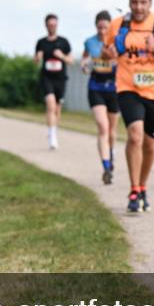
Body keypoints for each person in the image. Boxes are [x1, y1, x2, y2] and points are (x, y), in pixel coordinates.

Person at [102, 0, 154, 213]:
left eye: (143, 2)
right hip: (128, 88)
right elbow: (106, 50)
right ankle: (134, 187)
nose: (138, 7)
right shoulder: (119, 25)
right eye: (134, 2)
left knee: (150, 144)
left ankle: (143, 185)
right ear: (129, 3)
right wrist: (107, 54)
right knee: (135, 136)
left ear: (150, 3)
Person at [82, 10, 119, 184]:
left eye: (106, 27)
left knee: (111, 131)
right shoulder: (90, 42)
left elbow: (123, 62)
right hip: (95, 88)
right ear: (95, 26)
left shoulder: (117, 41)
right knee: (103, 127)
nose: (103, 31)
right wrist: (85, 65)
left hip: (114, 89)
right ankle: (105, 167)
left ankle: (110, 156)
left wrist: (113, 58)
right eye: (100, 27)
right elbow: (85, 59)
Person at [34, 14, 73, 150]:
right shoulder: (41, 42)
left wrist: (61, 56)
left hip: (60, 79)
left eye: (54, 25)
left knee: (57, 109)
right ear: (46, 25)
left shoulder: (64, 42)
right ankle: (52, 136)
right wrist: (38, 58)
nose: (52, 27)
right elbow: (36, 61)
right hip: (47, 77)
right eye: (50, 25)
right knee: (50, 106)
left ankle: (54, 130)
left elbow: (71, 60)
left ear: (57, 25)